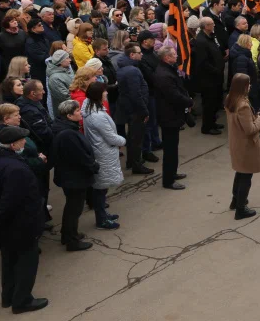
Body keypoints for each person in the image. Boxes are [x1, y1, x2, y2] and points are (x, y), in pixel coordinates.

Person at [0, 125, 49, 314]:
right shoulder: (15, 168)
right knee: (27, 262)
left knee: (9, 260)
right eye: (21, 140)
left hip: (5, 225)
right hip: (21, 224)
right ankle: (22, 301)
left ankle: (8, 296)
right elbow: (10, 201)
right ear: (12, 144)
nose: (24, 143)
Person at [51, 100, 97, 251]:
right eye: (77, 111)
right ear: (69, 115)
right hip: (74, 178)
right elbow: (79, 157)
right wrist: (93, 166)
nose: (81, 113)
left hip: (70, 176)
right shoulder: (67, 134)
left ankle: (68, 234)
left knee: (72, 207)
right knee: (74, 209)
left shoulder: (66, 129)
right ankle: (72, 241)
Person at [80, 82, 125, 228]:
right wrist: (123, 140)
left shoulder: (90, 108)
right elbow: (110, 137)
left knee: (101, 187)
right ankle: (101, 219)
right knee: (100, 188)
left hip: (101, 151)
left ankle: (103, 215)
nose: (106, 93)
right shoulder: (97, 116)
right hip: (103, 153)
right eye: (104, 92)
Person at [225, 73, 260, 220]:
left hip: (236, 143)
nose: (250, 86)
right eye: (248, 84)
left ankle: (236, 201)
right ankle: (241, 209)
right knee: (246, 175)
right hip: (246, 145)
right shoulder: (242, 105)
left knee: (240, 172)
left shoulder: (231, 99)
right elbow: (250, 129)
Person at [153, 46, 193, 190]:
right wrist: (188, 101)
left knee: (173, 147)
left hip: (172, 115)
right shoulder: (164, 75)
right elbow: (173, 95)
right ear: (166, 58)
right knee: (170, 149)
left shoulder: (168, 70)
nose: (176, 56)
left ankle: (172, 173)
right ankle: (168, 180)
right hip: (168, 115)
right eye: (174, 55)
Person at [116, 43, 153, 174]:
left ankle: (131, 161)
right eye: (139, 52)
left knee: (132, 137)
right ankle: (136, 164)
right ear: (132, 55)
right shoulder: (132, 71)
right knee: (136, 138)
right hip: (136, 110)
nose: (141, 54)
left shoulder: (125, 68)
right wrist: (144, 111)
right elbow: (136, 94)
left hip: (129, 108)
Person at [192, 18, 225, 135]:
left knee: (215, 102)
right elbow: (203, 62)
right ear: (206, 26)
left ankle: (213, 122)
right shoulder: (201, 41)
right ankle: (207, 127)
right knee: (209, 103)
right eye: (212, 24)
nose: (214, 25)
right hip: (208, 78)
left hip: (216, 77)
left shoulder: (211, 37)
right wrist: (215, 70)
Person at [45, 50, 73, 114]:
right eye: (67, 58)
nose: (70, 60)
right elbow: (65, 97)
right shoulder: (55, 79)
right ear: (61, 61)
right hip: (66, 112)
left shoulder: (65, 71)